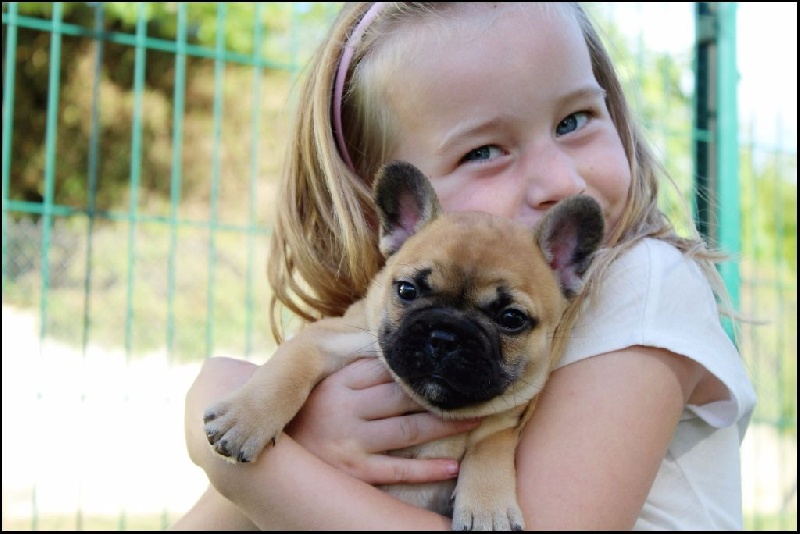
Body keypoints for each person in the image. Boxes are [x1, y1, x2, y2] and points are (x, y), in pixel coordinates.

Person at [169, 2, 757, 530]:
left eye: (574, 119)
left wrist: (241, 466)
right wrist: (262, 417)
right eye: (482, 152)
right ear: (392, 215)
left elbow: (499, 440)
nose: (559, 180)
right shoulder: (368, 328)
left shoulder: (641, 285)